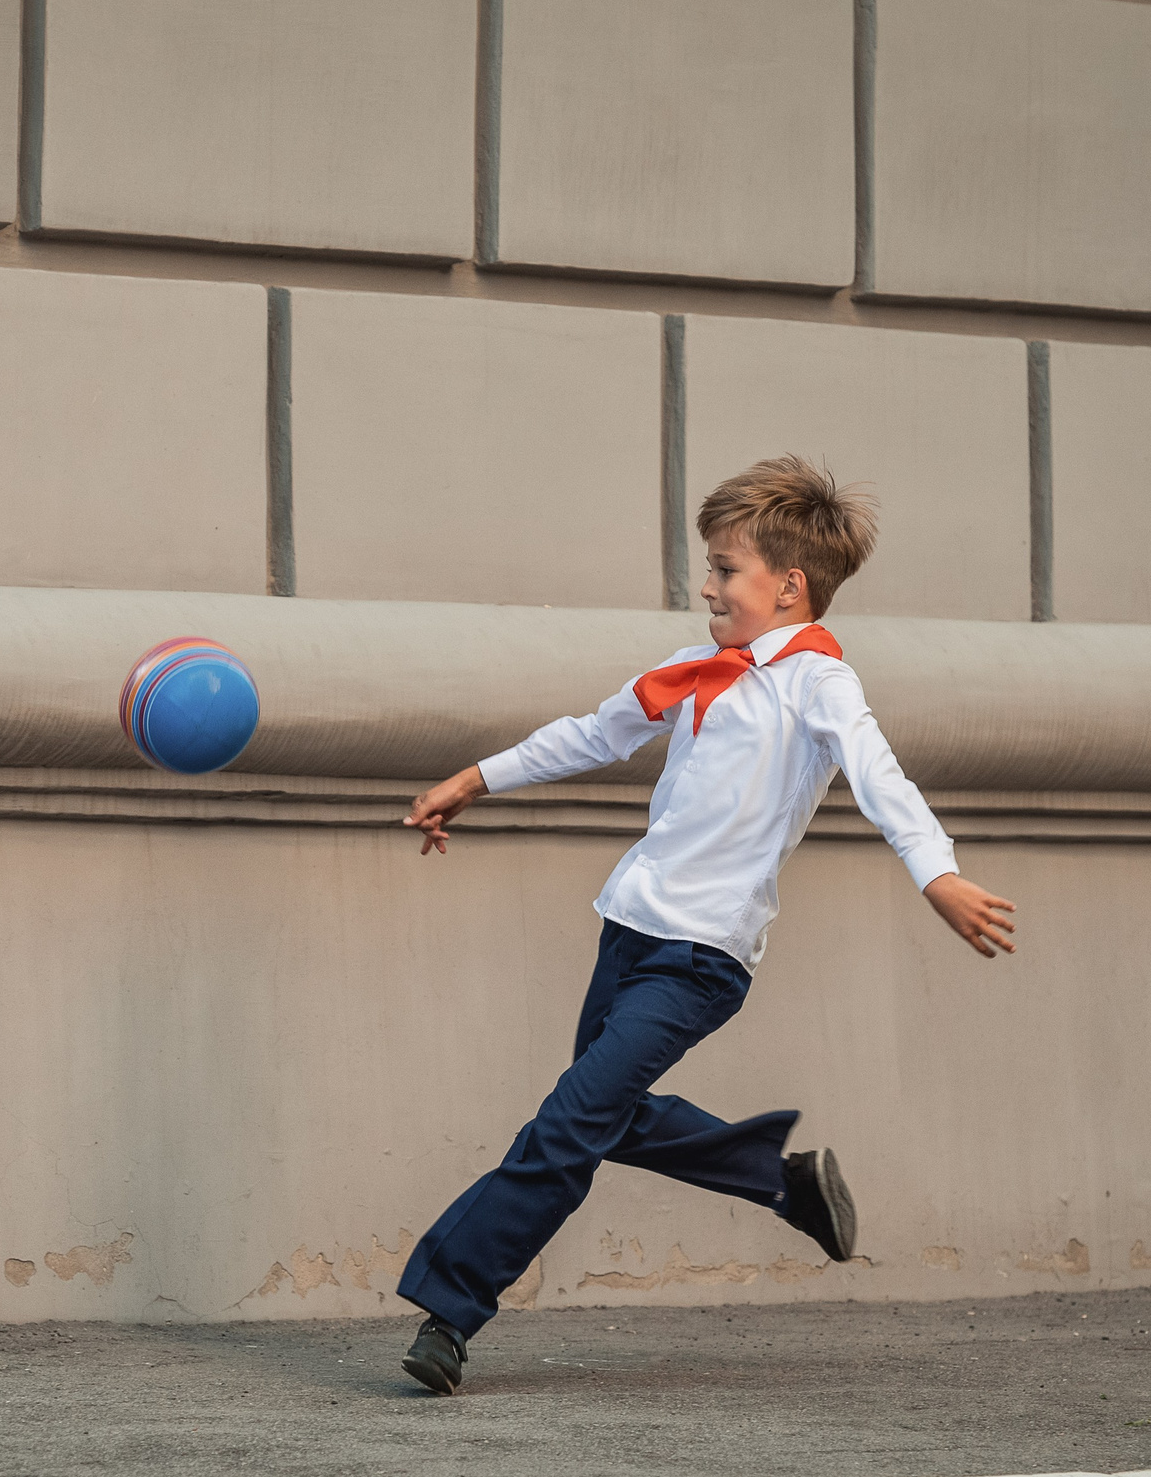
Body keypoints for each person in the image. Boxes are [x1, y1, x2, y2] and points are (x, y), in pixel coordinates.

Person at [391, 456, 1016, 1396]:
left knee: (567, 1124)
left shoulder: (818, 683)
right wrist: (474, 779)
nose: (709, 585)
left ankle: (450, 1309)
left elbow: (882, 777)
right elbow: (591, 732)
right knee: (603, 1117)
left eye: (726, 569)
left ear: (788, 586)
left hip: (700, 958)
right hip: (629, 929)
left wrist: (940, 875)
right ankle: (779, 1178)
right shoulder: (698, 675)